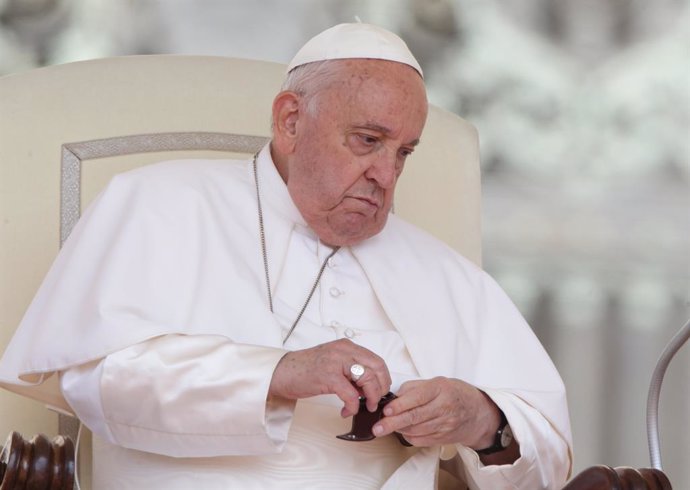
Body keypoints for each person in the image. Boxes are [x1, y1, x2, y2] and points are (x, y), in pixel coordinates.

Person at [0, 23, 572, 489]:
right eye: (368, 141)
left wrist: (483, 421)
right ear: (291, 120)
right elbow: (98, 383)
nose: (385, 174)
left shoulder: (442, 271)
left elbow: (548, 460)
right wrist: (278, 374)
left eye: (404, 152)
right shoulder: (161, 200)